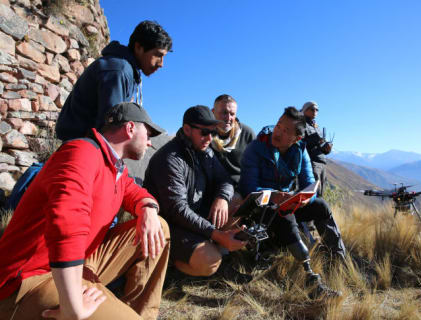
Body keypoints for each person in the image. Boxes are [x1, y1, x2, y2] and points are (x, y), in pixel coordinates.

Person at [0, 102, 170, 320]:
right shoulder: (81, 152)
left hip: (79, 260)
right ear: (129, 128)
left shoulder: (115, 168)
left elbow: (134, 192)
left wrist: (148, 208)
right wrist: (73, 308)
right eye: (148, 133)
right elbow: (67, 222)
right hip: (29, 278)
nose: (149, 142)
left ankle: (139, 314)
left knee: (160, 228)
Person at [239, 107, 345, 297]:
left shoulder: (300, 150)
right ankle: (311, 281)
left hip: (288, 202)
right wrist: (274, 195)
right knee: (284, 215)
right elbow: (248, 189)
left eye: (286, 130)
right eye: (279, 125)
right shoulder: (256, 148)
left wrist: (304, 199)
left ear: (296, 138)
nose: (278, 132)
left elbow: (309, 183)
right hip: (262, 209)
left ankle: (338, 259)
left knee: (320, 206)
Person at [144, 105, 247, 278]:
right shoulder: (170, 159)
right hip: (172, 226)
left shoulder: (205, 151)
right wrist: (217, 235)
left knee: (235, 200)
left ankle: (219, 256)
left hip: (195, 217)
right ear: (187, 129)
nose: (210, 138)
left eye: (213, 133)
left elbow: (225, 180)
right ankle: (174, 266)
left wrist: (222, 198)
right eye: (205, 132)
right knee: (209, 261)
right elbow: (178, 211)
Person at [56, 20, 172, 141]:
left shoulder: (126, 71)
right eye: (158, 55)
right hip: (82, 146)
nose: (161, 64)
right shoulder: (118, 71)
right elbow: (110, 129)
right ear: (138, 47)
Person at [210, 94, 256, 186]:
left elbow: (256, 169)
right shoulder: (205, 133)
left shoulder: (247, 134)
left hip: (240, 189)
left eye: (232, 114)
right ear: (213, 112)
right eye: (224, 112)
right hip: (210, 189)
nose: (228, 118)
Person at [301, 101, 333, 197]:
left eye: (317, 109)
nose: (315, 111)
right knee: (314, 193)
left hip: (322, 162)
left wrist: (326, 149)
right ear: (305, 110)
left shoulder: (316, 126)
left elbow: (320, 145)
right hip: (312, 162)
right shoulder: (301, 124)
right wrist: (315, 139)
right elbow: (300, 142)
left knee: (321, 193)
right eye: (312, 109)